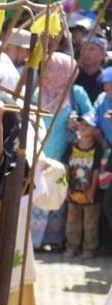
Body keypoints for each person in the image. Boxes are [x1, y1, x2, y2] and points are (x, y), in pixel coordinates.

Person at [30, 52, 93, 251]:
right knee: (38, 195)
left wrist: (79, 122)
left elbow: (90, 115)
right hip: (39, 154)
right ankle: (33, 241)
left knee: (58, 195)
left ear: (62, 71)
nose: (45, 72)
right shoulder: (38, 93)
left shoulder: (76, 93)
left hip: (63, 155)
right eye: (44, 67)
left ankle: (54, 240)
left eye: (50, 68)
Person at [64, 112, 104, 258]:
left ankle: (89, 247)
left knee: (90, 223)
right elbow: (67, 167)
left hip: (90, 194)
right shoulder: (72, 146)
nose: (83, 127)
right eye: (81, 123)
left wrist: (92, 192)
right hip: (74, 192)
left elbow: (95, 172)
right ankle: (72, 246)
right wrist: (66, 188)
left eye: (88, 125)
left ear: (96, 131)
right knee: (72, 221)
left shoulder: (97, 150)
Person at [75, 35, 108, 103]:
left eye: (92, 49)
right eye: (83, 48)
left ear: (103, 53)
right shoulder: (73, 77)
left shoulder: (107, 79)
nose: (86, 52)